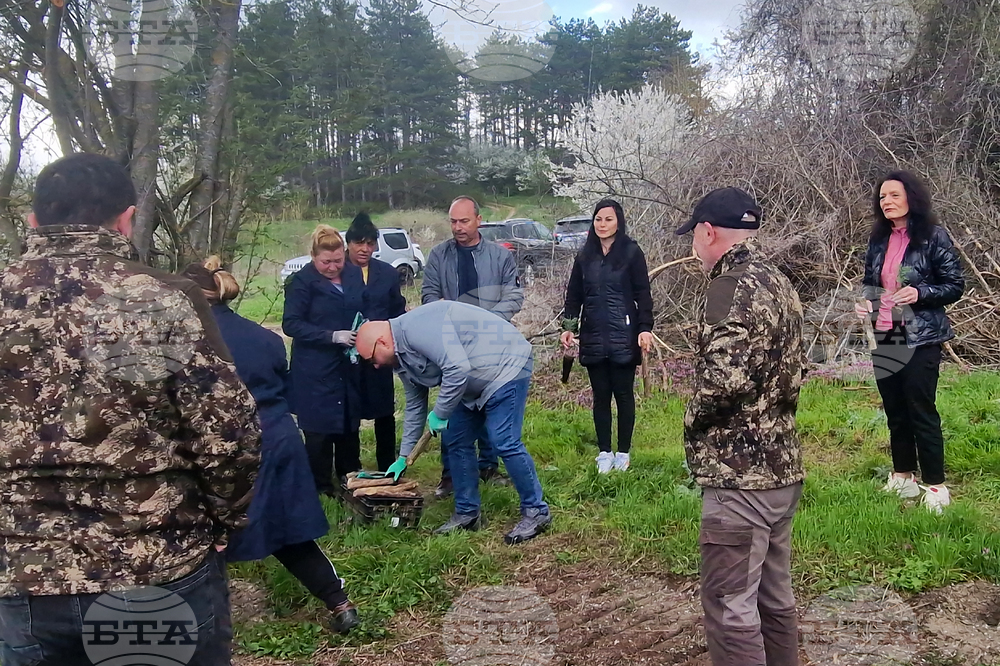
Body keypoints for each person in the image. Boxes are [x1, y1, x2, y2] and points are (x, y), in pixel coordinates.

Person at [0, 153, 261, 666]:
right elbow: (228, 433)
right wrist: (225, 521)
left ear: (33, 222)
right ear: (126, 217)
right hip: (152, 567)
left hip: (21, 577)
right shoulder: (161, 299)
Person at [182, 258, 360, 635]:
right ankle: (340, 603)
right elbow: (287, 391)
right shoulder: (265, 338)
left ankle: (205, 624)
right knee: (290, 531)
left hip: (227, 449)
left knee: (199, 537)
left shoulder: (189, 343)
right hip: (278, 439)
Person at [675, 187, 806, 666]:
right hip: (782, 470)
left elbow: (724, 379)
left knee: (730, 606)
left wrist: (692, 424)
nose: (692, 246)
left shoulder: (728, 287)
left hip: (739, 478)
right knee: (774, 600)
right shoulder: (779, 283)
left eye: (693, 235)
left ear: (708, 231)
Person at [355, 300, 551, 544]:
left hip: (505, 366)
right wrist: (404, 457)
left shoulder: (417, 329)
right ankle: (467, 513)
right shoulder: (400, 360)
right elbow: (416, 406)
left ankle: (536, 511)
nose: (374, 365)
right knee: (456, 440)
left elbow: (457, 369)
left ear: (382, 342)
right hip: (471, 382)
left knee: (504, 440)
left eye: (372, 358)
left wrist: (440, 413)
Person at [854, 170, 964, 513]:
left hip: (921, 336)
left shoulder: (933, 237)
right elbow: (871, 281)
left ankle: (935, 486)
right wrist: (866, 303)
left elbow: (955, 285)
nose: (887, 202)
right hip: (887, 334)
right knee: (895, 410)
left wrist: (921, 292)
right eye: (883, 197)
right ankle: (903, 476)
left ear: (911, 198)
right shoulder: (879, 239)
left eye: (894, 196)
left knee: (921, 410)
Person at [422, 196, 524, 497]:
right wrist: (441, 312)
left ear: (478, 220)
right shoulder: (439, 256)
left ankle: (488, 467)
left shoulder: (499, 256)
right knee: (452, 405)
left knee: (490, 403)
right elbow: (428, 294)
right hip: (452, 343)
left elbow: (514, 294)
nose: (457, 227)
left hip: (492, 343)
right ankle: (450, 475)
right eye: (453, 221)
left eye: (463, 221)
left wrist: (489, 320)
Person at [560, 199, 654, 474]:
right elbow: (574, 294)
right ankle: (604, 452)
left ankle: (623, 452)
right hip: (593, 333)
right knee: (600, 395)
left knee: (623, 395)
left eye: (608, 219)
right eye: (598, 219)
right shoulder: (585, 255)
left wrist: (645, 327)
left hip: (624, 333)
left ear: (618, 222)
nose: (602, 225)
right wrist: (569, 326)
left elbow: (643, 293)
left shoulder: (631, 252)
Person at [283, 225, 367, 494]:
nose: (333, 267)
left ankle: (349, 475)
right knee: (319, 429)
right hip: (314, 365)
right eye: (326, 262)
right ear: (313, 257)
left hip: (349, 361)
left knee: (348, 422)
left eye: (338, 260)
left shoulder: (354, 274)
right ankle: (320, 484)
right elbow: (291, 324)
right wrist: (331, 336)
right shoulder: (301, 282)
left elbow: (362, 305)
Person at [345, 212, 406, 471]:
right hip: (347, 353)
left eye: (370, 244)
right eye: (359, 243)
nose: (365, 249)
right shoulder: (339, 272)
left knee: (384, 410)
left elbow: (397, 311)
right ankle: (349, 464)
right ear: (348, 243)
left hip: (380, 352)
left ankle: (387, 464)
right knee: (349, 410)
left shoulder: (387, 274)